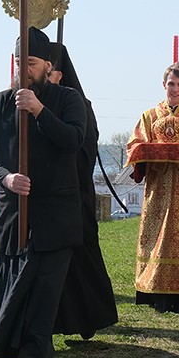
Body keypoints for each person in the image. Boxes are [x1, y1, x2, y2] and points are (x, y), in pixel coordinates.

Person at [0, 26, 87, 358]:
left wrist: (39, 111)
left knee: (43, 292)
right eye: (19, 61)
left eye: (32, 63)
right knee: (17, 288)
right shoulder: (0, 105)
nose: (24, 69)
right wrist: (6, 178)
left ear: (47, 66)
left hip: (56, 215)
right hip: (15, 214)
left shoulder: (68, 100)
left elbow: (73, 140)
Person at [48, 43, 118, 341]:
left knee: (81, 258)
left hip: (74, 193)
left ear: (59, 75)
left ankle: (89, 316)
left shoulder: (78, 105)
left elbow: (84, 148)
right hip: (44, 198)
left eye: (48, 73)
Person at [126, 63, 179, 313]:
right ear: (164, 85)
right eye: (171, 84)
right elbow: (134, 145)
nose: (175, 89)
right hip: (157, 189)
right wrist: (146, 151)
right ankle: (154, 293)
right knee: (155, 237)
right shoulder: (149, 116)